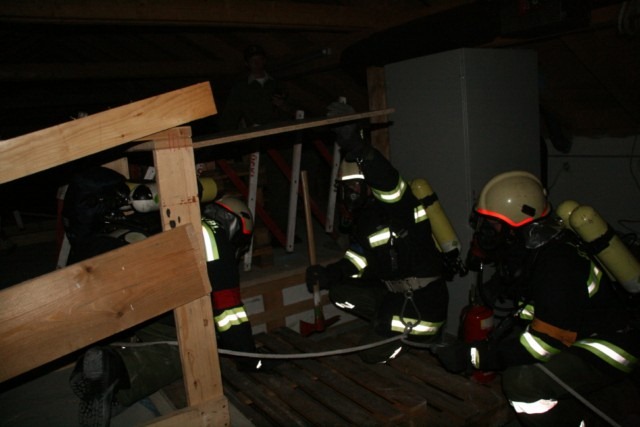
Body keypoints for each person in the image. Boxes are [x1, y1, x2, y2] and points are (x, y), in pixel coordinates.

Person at [63, 167, 270, 427]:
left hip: (90, 281)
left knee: (154, 328)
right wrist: (250, 360)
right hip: (127, 288)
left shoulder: (175, 218)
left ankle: (98, 366)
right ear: (235, 224)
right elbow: (228, 313)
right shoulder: (213, 234)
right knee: (193, 347)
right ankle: (117, 368)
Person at [434, 170, 640, 426]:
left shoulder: (557, 264)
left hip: (610, 347)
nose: (485, 231)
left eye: (493, 224)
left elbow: (542, 344)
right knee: (511, 349)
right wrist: (493, 288)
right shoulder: (531, 251)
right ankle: (601, 399)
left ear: (518, 226)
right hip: (576, 332)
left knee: (522, 382)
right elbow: (525, 290)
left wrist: (473, 356)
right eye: (483, 221)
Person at [305, 102, 464, 364]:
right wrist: (329, 274)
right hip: (395, 293)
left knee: (370, 354)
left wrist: (357, 147)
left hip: (424, 303)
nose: (350, 195)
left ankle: (416, 336)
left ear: (369, 186)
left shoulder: (400, 207)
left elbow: (389, 182)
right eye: (345, 189)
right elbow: (358, 259)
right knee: (340, 293)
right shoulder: (365, 221)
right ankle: (387, 323)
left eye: (355, 187)